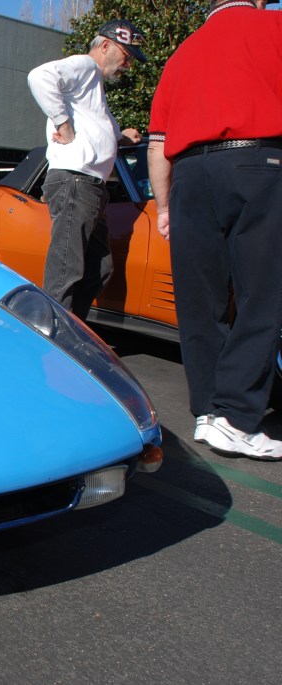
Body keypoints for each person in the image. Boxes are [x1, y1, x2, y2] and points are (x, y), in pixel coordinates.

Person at [147, 0, 282, 460]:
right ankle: (238, 416)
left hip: (188, 175)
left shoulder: (182, 53)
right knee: (263, 294)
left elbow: (158, 142)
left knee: (200, 300)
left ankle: (209, 411)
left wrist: (164, 204)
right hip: (258, 164)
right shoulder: (273, 26)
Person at [26, 20, 145, 321]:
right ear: (106, 45)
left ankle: (70, 330)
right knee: (67, 269)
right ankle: (53, 342)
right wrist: (62, 124)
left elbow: (93, 128)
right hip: (75, 181)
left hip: (89, 187)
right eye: (126, 55)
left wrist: (119, 136)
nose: (127, 64)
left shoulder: (94, 86)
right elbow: (39, 76)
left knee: (100, 269)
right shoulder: (86, 66)